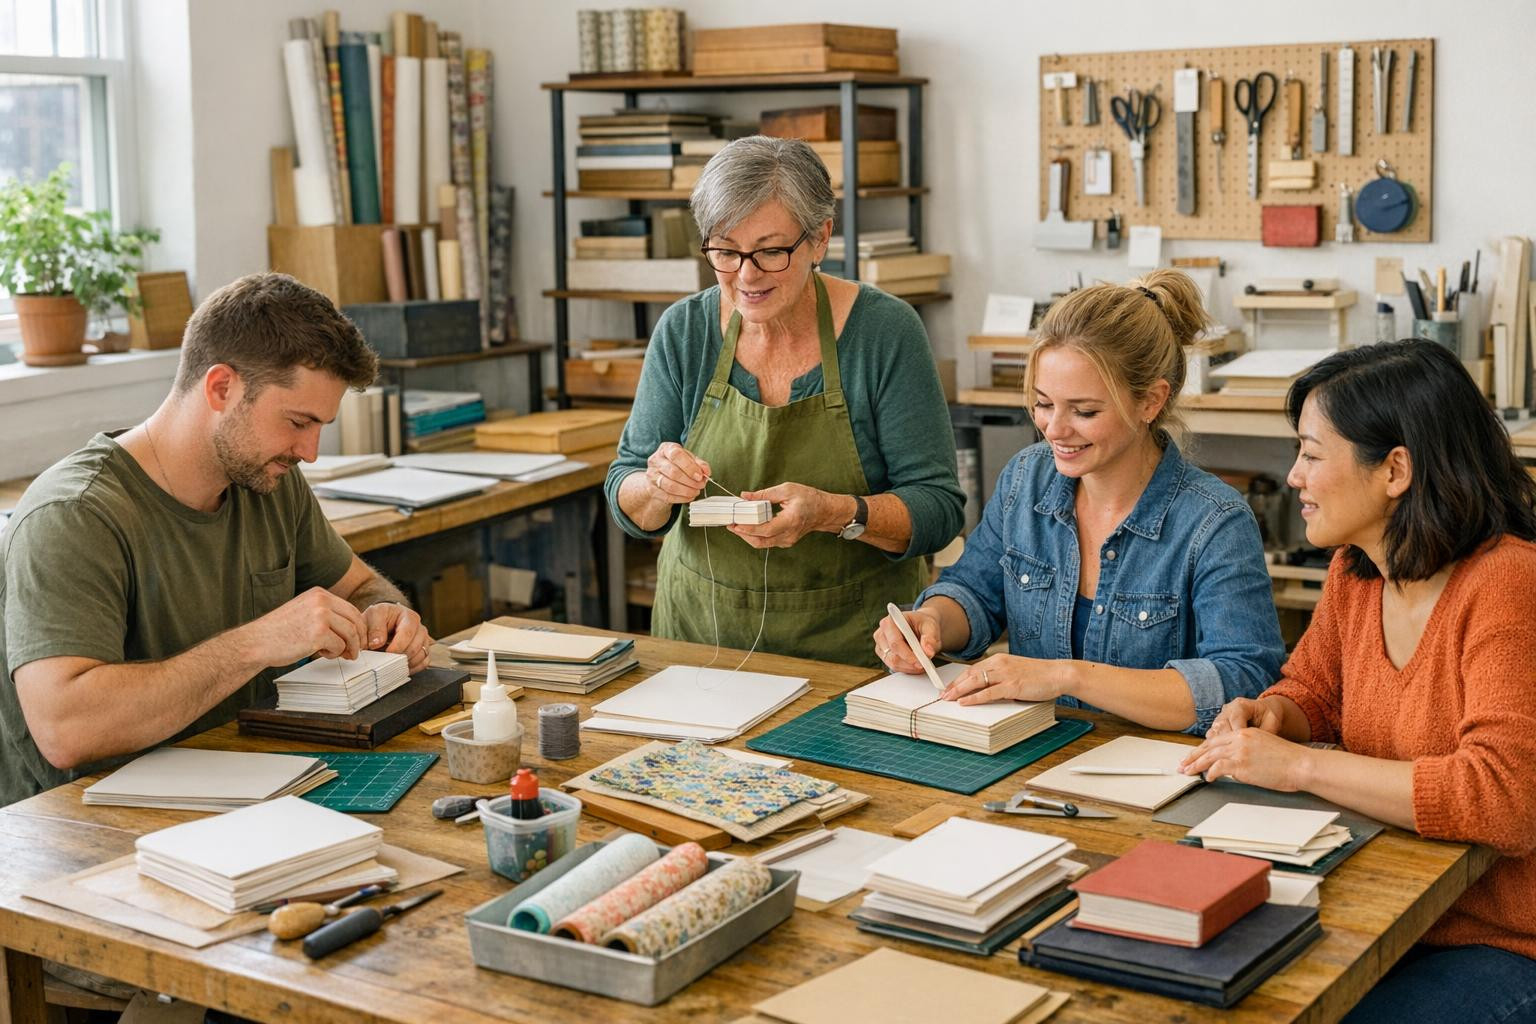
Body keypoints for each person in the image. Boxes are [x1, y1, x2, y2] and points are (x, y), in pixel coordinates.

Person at [1180, 341, 1536, 1023]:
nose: (1293, 477)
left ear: (1395, 469)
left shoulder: (1508, 583)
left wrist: (1298, 767)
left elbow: (1501, 800)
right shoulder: (1358, 566)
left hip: (1502, 942)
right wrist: (1274, 715)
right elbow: (1314, 688)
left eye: (1312, 455)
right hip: (1392, 903)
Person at [0, 273, 433, 807]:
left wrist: (387, 615)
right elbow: (67, 731)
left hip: (242, 787)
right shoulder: (75, 515)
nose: (311, 451)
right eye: (298, 422)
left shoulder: (269, 481)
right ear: (221, 387)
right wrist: (259, 642)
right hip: (88, 829)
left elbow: (361, 586)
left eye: (320, 425)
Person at [605, 136, 964, 667]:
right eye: (725, 251)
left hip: (850, 654)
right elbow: (625, 493)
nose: (746, 275)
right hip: (699, 647)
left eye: (771, 251)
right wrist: (657, 488)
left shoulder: (885, 333)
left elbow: (938, 510)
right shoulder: (684, 331)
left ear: (820, 239)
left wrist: (832, 513)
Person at [874, 271, 1284, 733]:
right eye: (1043, 404)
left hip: (1156, 771)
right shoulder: (1025, 479)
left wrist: (1064, 676)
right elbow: (975, 592)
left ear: (1150, 401)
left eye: (1084, 411)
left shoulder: (1214, 522)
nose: (1054, 429)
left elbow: (1244, 681)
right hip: (1032, 748)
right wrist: (930, 622)